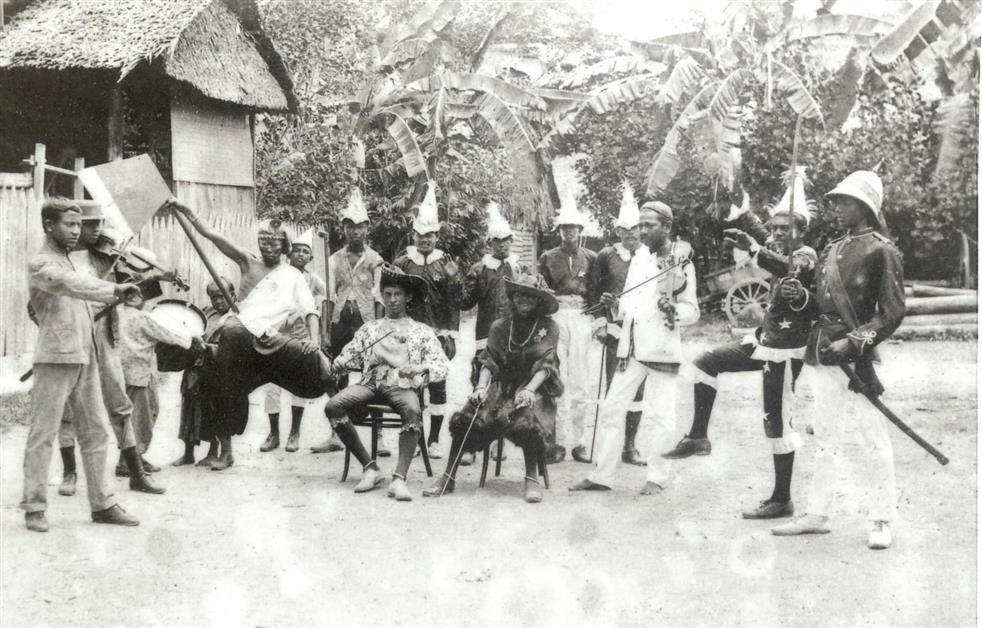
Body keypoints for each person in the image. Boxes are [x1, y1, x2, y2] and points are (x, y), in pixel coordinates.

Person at [663, 170, 819, 519]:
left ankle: (782, 499)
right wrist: (744, 213)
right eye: (774, 228)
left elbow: (791, 265)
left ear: (802, 231)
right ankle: (698, 436)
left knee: (776, 421)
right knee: (705, 362)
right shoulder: (782, 247)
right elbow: (768, 240)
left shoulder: (806, 255)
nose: (776, 234)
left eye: (784, 229)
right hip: (764, 342)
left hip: (785, 353)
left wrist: (752, 247)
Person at [771, 171, 905, 550]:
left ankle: (881, 518)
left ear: (864, 206)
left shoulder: (883, 250)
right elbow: (818, 306)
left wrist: (855, 341)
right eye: (836, 200)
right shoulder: (831, 249)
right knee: (826, 436)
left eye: (845, 201)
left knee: (872, 438)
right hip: (823, 351)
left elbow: (892, 312)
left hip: (855, 357)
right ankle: (817, 513)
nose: (837, 207)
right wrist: (799, 295)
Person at [168, 198, 332, 470]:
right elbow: (213, 236)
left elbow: (310, 310)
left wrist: (314, 340)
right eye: (264, 242)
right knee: (219, 387)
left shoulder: (291, 275)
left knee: (317, 371)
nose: (268, 247)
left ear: (284, 246)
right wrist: (189, 213)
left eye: (275, 242)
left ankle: (340, 421)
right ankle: (223, 451)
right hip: (235, 337)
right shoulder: (247, 262)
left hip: (266, 340)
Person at [21, 197, 141, 532]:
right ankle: (34, 507)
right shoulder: (41, 263)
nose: (76, 231)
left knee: (96, 431)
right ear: (49, 226)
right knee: (43, 433)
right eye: (69, 225)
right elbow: (72, 286)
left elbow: (82, 291)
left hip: (84, 355)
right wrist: (113, 288)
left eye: (78, 225)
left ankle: (102, 504)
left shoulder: (73, 261)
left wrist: (116, 290)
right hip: (55, 358)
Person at [570, 201, 699, 495]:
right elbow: (631, 300)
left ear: (666, 227)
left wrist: (674, 312)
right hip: (631, 344)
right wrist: (615, 305)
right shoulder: (640, 256)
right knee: (613, 408)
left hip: (661, 347)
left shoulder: (681, 261)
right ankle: (602, 476)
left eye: (648, 225)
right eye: (639, 225)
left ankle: (657, 477)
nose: (641, 231)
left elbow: (693, 310)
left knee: (661, 415)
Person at [423, 274, 562, 503]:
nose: (524, 299)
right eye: (519, 294)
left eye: (530, 295)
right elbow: (489, 360)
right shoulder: (500, 325)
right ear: (513, 297)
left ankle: (531, 479)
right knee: (469, 414)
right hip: (503, 385)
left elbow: (546, 364)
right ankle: (448, 476)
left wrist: (528, 390)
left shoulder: (549, 327)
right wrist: (480, 387)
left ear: (538, 299)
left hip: (536, 387)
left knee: (526, 417)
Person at [57, 205, 164, 495]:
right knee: (67, 406)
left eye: (97, 224)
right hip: (71, 339)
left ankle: (136, 473)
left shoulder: (106, 257)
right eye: (87, 224)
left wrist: (155, 281)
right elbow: (37, 309)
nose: (92, 230)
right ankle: (69, 473)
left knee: (119, 402)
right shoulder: (60, 259)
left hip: (104, 337)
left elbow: (132, 293)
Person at [324, 266, 450, 502]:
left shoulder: (421, 331)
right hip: (371, 383)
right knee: (333, 406)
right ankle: (370, 468)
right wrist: (340, 362)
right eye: (388, 294)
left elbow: (442, 366)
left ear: (408, 297)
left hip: (402, 385)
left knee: (412, 410)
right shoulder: (370, 328)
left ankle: (399, 479)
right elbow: (349, 354)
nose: (392, 300)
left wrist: (420, 368)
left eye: (398, 295)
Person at [310, 188, 387, 456]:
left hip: (366, 324)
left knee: (374, 373)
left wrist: (380, 330)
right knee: (336, 374)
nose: (355, 232)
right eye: (350, 227)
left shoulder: (376, 260)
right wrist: (325, 333)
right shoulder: (333, 260)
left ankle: (378, 434)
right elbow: (328, 297)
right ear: (343, 229)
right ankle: (337, 432)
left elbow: (379, 297)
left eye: (360, 227)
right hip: (341, 323)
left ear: (367, 229)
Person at [450, 202, 525, 465]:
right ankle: (472, 446)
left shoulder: (521, 268)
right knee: (479, 387)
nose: (502, 245)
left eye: (506, 240)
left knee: (508, 390)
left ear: (512, 241)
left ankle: (498, 444)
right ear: (489, 243)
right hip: (486, 339)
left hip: (516, 338)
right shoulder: (479, 268)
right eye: (496, 241)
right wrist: (457, 281)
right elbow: (464, 302)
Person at [393, 185, 460, 460]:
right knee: (410, 384)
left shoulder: (446, 263)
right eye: (421, 235)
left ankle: (433, 440)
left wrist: (451, 334)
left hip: (437, 332)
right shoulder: (402, 262)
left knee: (437, 385)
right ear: (414, 235)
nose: (425, 240)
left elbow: (455, 301)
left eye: (430, 235)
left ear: (436, 236)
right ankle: (416, 434)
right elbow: (393, 298)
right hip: (408, 333)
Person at [116, 270, 204, 479]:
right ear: (132, 296)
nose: (144, 299)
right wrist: (193, 338)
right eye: (141, 295)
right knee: (143, 417)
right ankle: (129, 460)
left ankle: (131, 456)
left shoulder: (118, 313)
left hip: (124, 373)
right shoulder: (142, 318)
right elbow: (168, 333)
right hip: (139, 374)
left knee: (130, 417)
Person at [586, 182, 648, 466]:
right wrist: (600, 320)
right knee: (614, 387)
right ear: (619, 231)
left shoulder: (650, 256)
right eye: (627, 230)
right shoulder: (606, 255)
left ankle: (630, 445)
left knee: (639, 389)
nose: (632, 234)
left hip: (643, 330)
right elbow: (592, 291)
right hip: (614, 329)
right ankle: (607, 448)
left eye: (637, 229)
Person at [538, 192, 597, 464]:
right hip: (558, 316)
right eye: (564, 227)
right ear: (559, 230)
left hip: (582, 317)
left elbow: (596, 292)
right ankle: (556, 441)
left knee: (581, 379)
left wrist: (598, 320)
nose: (569, 232)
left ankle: (580, 442)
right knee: (556, 376)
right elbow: (541, 292)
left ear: (580, 230)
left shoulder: (592, 258)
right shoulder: (548, 257)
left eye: (573, 227)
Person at [261, 230, 329, 453]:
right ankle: (273, 434)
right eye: (297, 250)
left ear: (311, 257)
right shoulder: (277, 274)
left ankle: (295, 432)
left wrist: (317, 335)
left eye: (305, 252)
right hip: (277, 332)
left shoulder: (313, 280)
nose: (300, 254)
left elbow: (325, 301)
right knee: (272, 383)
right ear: (289, 254)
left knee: (298, 383)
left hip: (301, 335)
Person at [171, 279, 235, 467]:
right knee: (191, 409)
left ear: (233, 296)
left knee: (217, 410)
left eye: (222, 296)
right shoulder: (207, 312)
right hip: (196, 368)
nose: (218, 301)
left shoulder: (235, 317)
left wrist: (208, 347)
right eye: (214, 297)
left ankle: (224, 453)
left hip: (219, 371)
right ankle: (189, 453)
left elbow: (232, 347)